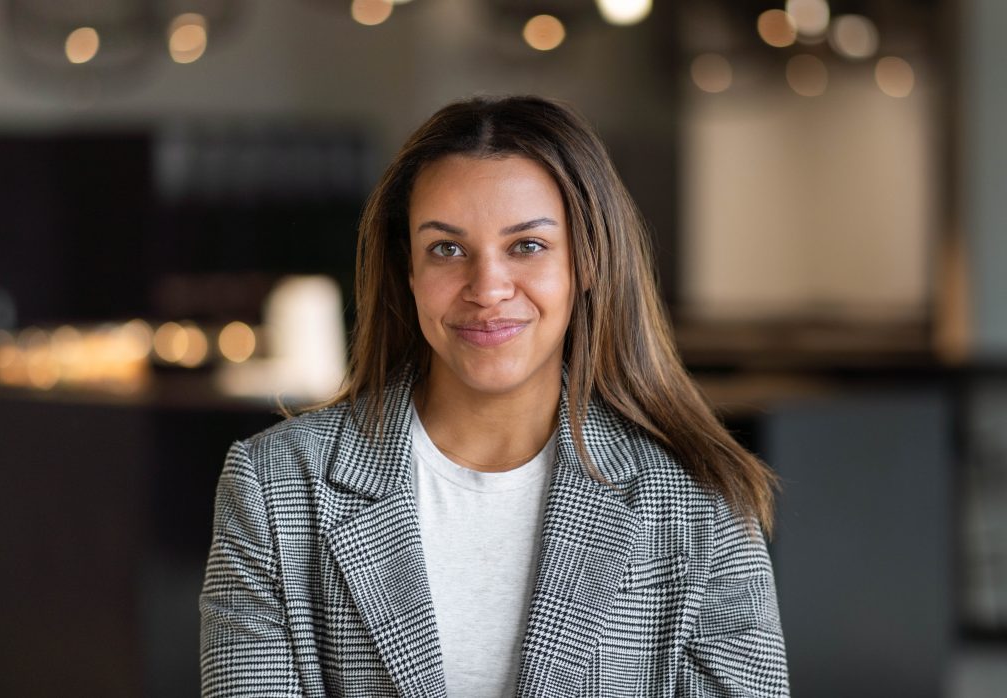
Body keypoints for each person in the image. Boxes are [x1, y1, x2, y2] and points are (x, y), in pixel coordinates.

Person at [199, 95, 789, 697]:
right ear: (409, 271)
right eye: (447, 249)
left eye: (527, 246)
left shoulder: (699, 504)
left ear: (587, 262)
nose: (487, 288)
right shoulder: (274, 486)